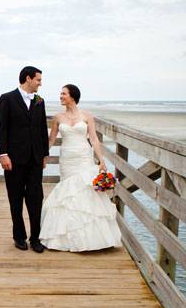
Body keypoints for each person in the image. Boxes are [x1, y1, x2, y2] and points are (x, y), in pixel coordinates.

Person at [39, 84, 123, 252]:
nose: (60, 96)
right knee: (68, 193)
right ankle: (66, 238)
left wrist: (101, 160)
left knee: (86, 191)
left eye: (63, 94)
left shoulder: (87, 116)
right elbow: (51, 139)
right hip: (67, 159)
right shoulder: (58, 117)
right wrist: (43, 156)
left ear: (72, 96)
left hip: (84, 157)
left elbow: (94, 139)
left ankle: (92, 239)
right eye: (61, 93)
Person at [0, 66, 49, 252]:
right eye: (38, 80)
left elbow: (42, 129)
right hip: (14, 159)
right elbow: (1, 128)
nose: (40, 83)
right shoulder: (7, 98)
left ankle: (36, 238)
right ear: (28, 78)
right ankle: (19, 236)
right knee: (15, 198)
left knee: (36, 198)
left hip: (35, 158)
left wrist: (44, 154)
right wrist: (2, 154)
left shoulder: (39, 101)